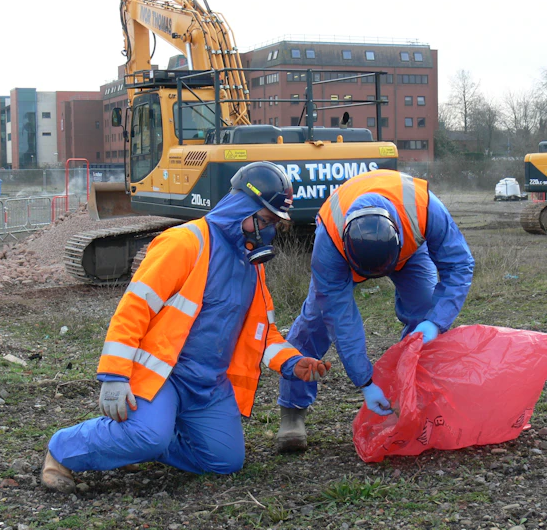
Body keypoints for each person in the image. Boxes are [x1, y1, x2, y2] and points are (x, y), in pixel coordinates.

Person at [41, 161, 331, 492]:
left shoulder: (252, 266)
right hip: (164, 375)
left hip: (208, 384)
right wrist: (114, 375)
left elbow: (262, 334)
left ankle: (147, 437)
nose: (268, 231)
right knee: (147, 434)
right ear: (240, 208)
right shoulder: (185, 243)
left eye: (275, 225)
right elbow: (133, 308)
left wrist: (293, 363)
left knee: (225, 462)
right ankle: (63, 450)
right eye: (265, 221)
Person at [276, 169, 474, 452]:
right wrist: (365, 381)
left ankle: (417, 402)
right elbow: (340, 318)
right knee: (314, 323)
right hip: (344, 256)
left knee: (426, 310)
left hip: (408, 253)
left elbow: (459, 265)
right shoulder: (329, 241)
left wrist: (436, 322)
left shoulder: (425, 210)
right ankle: (292, 410)